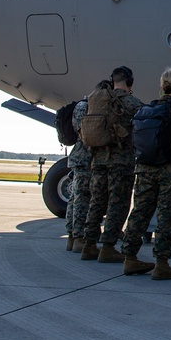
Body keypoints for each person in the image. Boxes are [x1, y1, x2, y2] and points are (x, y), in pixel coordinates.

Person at [121, 66, 171, 279]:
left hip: (145, 169)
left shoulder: (145, 110)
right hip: (170, 171)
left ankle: (129, 257)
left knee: (140, 212)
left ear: (161, 86)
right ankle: (162, 263)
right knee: (167, 215)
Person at [80, 67, 142, 262]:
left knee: (97, 202)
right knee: (119, 203)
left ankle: (88, 245)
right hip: (120, 163)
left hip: (98, 160)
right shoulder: (133, 103)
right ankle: (108, 247)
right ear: (130, 81)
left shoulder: (97, 100)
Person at [66, 82, 108, 253]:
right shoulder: (89, 107)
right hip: (87, 159)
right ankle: (79, 238)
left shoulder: (80, 106)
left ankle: (71, 236)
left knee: (75, 199)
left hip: (79, 158)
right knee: (84, 199)